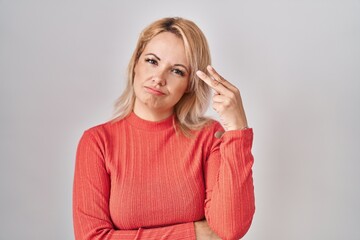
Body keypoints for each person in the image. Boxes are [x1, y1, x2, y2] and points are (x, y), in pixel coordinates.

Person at [73, 17, 255, 240]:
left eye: (177, 71)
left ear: (189, 85)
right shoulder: (97, 142)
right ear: (135, 63)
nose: (158, 78)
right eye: (152, 61)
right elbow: (92, 237)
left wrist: (237, 131)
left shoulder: (208, 136)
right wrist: (194, 233)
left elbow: (230, 228)